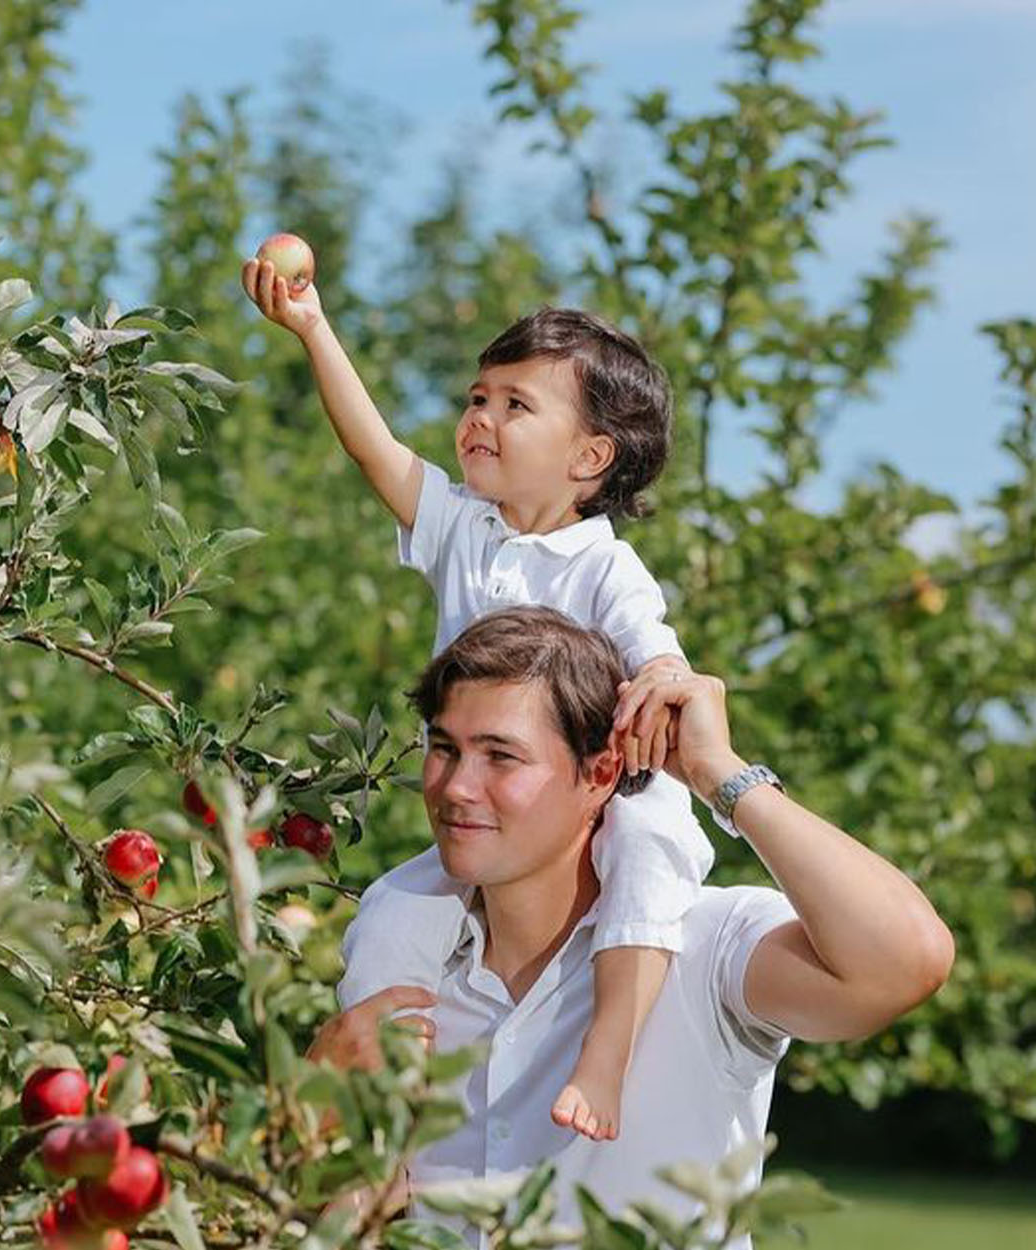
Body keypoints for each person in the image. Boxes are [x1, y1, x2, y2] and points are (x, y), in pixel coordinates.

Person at [241, 257, 710, 1141]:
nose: (480, 419)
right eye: (477, 398)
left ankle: (605, 1058)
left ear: (589, 457)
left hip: (602, 794)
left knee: (653, 849)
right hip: (498, 807)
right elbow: (372, 447)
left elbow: (660, 661)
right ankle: (388, 1117)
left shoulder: (608, 568)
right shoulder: (463, 527)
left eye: (516, 405)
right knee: (387, 917)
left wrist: (660, 681)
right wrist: (312, 328)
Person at [309, 607, 954, 1242]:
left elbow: (906, 962)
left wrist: (718, 773)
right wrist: (311, 1119)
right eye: (445, 749)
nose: (456, 787)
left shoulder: (701, 948)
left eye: (500, 757)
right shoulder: (405, 965)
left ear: (602, 773)